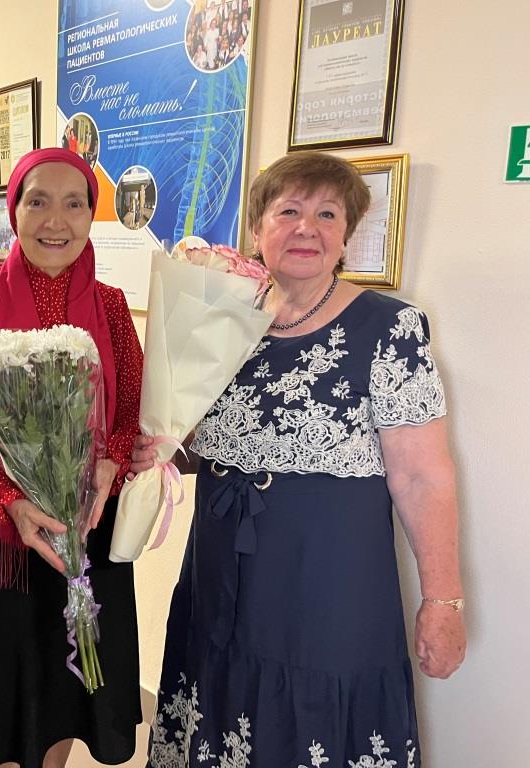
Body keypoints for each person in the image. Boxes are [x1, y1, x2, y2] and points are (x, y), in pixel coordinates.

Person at [139, 152, 466, 766]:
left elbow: (423, 476)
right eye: (288, 211)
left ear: (347, 235)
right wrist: (160, 449)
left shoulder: (390, 328)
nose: (306, 229)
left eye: (327, 214)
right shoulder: (221, 318)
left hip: (327, 587)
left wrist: (443, 601)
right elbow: (204, 438)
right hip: (221, 575)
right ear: (257, 227)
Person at [0, 148, 144, 768]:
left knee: (68, 687)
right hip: (2, 535)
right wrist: (12, 499)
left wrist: (111, 462)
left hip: (89, 528)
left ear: (91, 215)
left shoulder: (110, 305)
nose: (57, 220)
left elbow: (131, 409)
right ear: (14, 211)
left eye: (75, 204)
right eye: (38, 201)